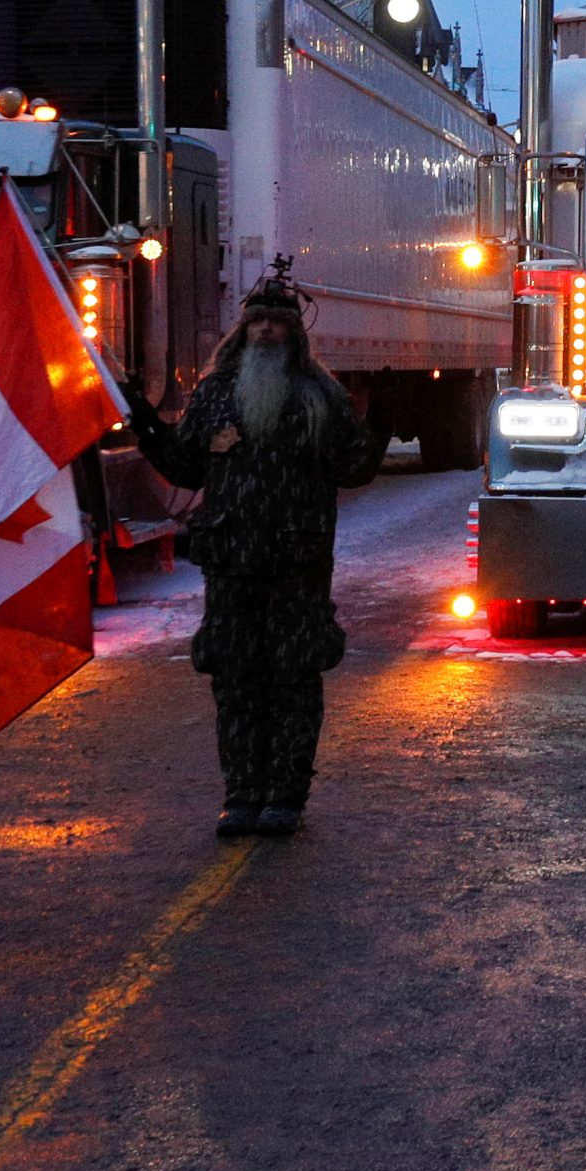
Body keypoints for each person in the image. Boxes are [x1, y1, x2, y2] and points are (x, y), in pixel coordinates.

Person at [128, 258, 388, 837]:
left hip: (296, 564)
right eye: (257, 322)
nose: (266, 331)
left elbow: (351, 469)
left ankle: (286, 796)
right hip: (231, 562)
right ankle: (242, 792)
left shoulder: (321, 396)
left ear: (295, 333)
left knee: (294, 677)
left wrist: (383, 425)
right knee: (236, 679)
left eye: (277, 322)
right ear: (241, 331)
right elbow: (185, 468)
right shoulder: (216, 393)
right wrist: (142, 420)